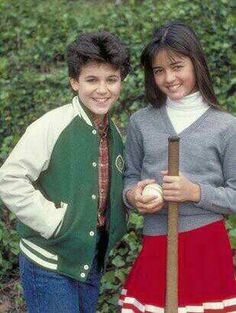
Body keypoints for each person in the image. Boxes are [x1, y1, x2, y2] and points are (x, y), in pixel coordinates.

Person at [0, 31, 130, 313]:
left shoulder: (115, 133)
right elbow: (9, 179)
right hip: (49, 262)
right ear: (74, 82)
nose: (102, 89)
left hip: (89, 260)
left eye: (111, 79)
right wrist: (54, 222)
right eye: (91, 79)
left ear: (122, 81)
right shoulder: (52, 125)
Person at [119, 22, 236, 312]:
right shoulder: (141, 122)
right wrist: (133, 196)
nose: (169, 78)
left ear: (196, 63)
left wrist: (194, 191)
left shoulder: (226, 127)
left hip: (206, 249)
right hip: (157, 242)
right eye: (159, 71)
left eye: (177, 66)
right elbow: (130, 176)